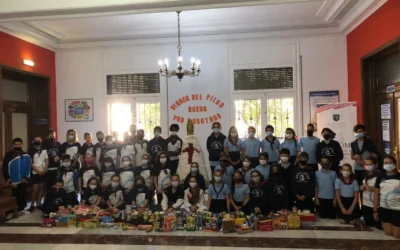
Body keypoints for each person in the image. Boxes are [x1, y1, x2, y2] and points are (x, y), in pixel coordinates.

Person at [2, 138, 31, 215]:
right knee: (14, 195)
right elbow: (5, 167)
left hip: (22, 179)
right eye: (16, 145)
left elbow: (28, 167)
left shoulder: (26, 155)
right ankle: (10, 212)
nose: (17, 146)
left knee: (22, 194)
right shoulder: (8, 155)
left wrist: (25, 177)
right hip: (12, 180)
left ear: (22, 145)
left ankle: (21, 209)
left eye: (19, 144)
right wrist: (8, 178)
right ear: (12, 145)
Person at [373, 156, 400, 239]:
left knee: (397, 235)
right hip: (384, 208)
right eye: (385, 163)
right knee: (388, 233)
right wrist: (375, 211)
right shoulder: (380, 177)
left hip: (397, 209)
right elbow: (376, 194)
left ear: (394, 164)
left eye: (389, 163)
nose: (387, 164)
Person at [28, 136, 49, 212]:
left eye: (39, 140)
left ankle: (39, 204)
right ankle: (32, 205)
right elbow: (31, 163)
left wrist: (45, 169)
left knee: (41, 188)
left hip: (43, 171)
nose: (37, 141)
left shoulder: (44, 150)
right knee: (35, 189)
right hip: (35, 172)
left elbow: (46, 160)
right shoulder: (30, 151)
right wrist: (38, 171)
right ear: (33, 142)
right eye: (36, 140)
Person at [360, 156, 380, 227]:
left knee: (376, 224)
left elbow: (382, 189)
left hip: (375, 204)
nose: (368, 166)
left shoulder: (379, 175)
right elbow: (361, 185)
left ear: (375, 165)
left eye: (370, 164)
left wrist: (373, 189)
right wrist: (361, 187)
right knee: (368, 223)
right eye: (366, 164)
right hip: (365, 203)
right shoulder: (364, 174)